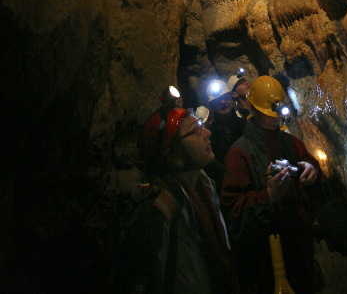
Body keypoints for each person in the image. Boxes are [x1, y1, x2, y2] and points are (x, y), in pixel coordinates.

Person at [118, 99, 239, 294]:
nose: (207, 133)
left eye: (202, 126)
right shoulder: (159, 214)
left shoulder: (206, 191)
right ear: (173, 156)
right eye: (196, 130)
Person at [221, 75, 323, 294]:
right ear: (254, 109)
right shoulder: (239, 153)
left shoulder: (290, 142)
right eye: (269, 114)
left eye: (278, 113)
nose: (275, 119)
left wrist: (312, 171)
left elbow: (314, 168)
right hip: (265, 259)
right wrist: (268, 195)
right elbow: (233, 213)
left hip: (299, 247)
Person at [205, 80, 246, 197]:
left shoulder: (245, 126)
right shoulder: (208, 135)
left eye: (225, 97)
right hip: (224, 192)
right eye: (217, 101)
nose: (223, 102)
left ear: (231, 97)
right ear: (212, 105)